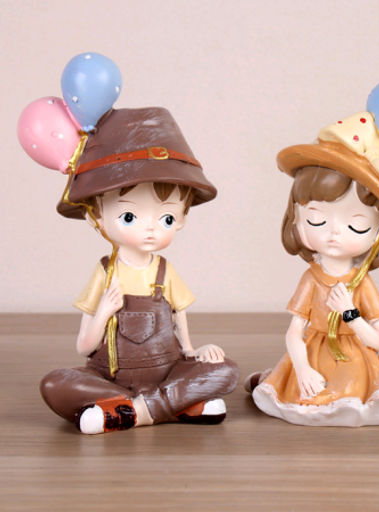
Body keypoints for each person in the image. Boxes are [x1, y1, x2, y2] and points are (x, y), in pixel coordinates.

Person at [40, 107, 239, 434]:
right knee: (55, 383)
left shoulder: (165, 271)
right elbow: (84, 347)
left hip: (167, 372)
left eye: (166, 219)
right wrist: (104, 312)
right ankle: (176, 404)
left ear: (182, 218)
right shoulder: (105, 272)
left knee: (226, 370)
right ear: (96, 216)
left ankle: (129, 412)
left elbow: (180, 320)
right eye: (130, 217)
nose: (151, 229)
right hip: (109, 377)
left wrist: (194, 352)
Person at [246, 114, 379, 427]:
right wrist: (303, 369)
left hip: (356, 355)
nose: (334, 233)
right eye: (316, 220)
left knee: (358, 389)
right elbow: (294, 332)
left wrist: (350, 314)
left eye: (356, 225)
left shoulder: (361, 282)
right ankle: (274, 380)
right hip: (314, 352)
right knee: (298, 386)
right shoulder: (312, 278)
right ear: (296, 217)